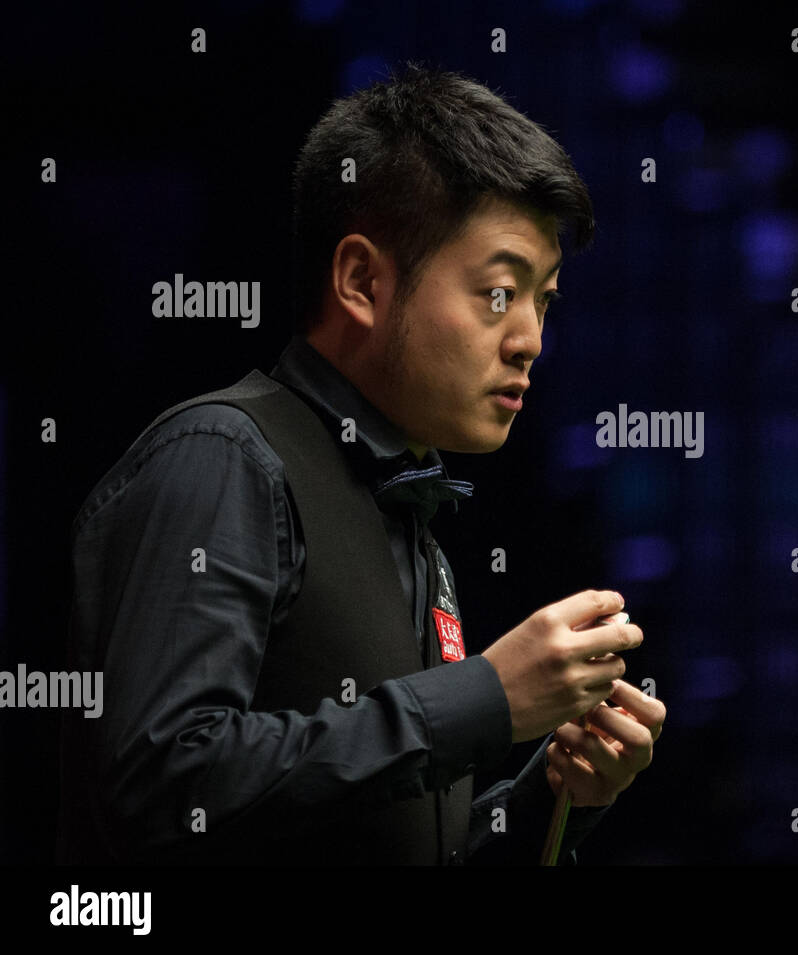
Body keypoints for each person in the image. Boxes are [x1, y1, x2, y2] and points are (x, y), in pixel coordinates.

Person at [55, 63, 666, 865]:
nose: (529, 339)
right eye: (497, 293)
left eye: (542, 300)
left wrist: (551, 797)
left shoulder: (409, 520)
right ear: (361, 280)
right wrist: (486, 697)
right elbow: (161, 788)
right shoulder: (222, 457)